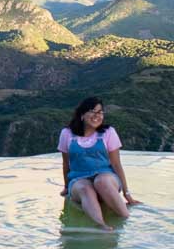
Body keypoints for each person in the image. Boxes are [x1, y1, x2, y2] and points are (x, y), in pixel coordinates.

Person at [58, 97, 138, 230]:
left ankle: (126, 218)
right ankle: (101, 225)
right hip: (79, 178)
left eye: (100, 112)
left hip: (106, 176)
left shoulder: (108, 132)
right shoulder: (67, 134)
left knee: (101, 181)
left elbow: (116, 164)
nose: (97, 116)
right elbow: (66, 164)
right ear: (82, 115)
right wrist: (66, 187)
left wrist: (127, 193)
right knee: (85, 188)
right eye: (92, 112)